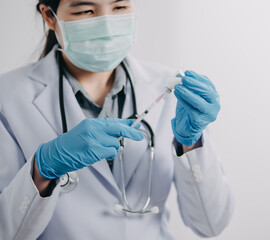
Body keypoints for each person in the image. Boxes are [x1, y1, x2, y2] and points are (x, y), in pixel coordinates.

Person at [0, 0, 234, 239]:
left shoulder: (170, 89)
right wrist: (42, 169)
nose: (107, 25)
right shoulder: (7, 98)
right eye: (85, 10)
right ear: (50, 16)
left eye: (119, 8)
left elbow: (211, 224)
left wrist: (191, 143)